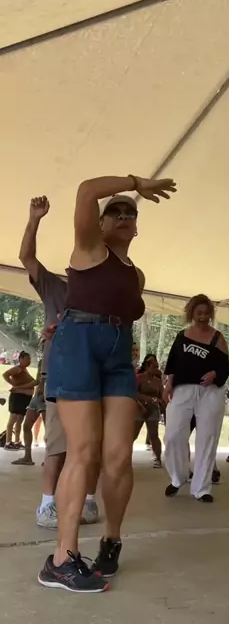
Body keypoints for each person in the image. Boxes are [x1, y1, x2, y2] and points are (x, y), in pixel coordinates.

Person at [38, 174, 176, 593]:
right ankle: (61, 559)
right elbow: (85, 189)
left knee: (118, 456)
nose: (122, 215)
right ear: (99, 223)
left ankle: (111, 541)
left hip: (117, 354)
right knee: (82, 451)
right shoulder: (88, 247)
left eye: (129, 213)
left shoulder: (136, 275)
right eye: (113, 211)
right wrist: (135, 183)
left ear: (136, 228)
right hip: (78, 344)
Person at [17, 196, 99, 529]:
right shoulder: (54, 287)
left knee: (90, 443)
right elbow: (26, 257)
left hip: (92, 375)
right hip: (59, 374)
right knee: (57, 443)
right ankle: (47, 504)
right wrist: (34, 219)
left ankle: (88, 500)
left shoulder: (101, 297)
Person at [163, 294, 229, 503]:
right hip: (183, 389)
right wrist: (168, 384)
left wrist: (215, 374)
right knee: (173, 434)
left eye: (206, 313)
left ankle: (201, 488)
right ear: (191, 313)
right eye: (199, 313)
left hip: (210, 392)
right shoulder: (182, 336)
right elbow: (172, 364)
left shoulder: (218, 338)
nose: (202, 317)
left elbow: (226, 367)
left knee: (207, 438)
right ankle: (178, 476)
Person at [11, 355, 46, 466]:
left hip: (48, 396)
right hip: (37, 397)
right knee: (26, 426)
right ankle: (27, 457)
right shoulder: (42, 362)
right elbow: (37, 381)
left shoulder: (57, 359)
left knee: (49, 430)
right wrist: (19, 388)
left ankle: (50, 459)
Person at [3, 352, 36, 449]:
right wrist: (13, 384)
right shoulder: (17, 369)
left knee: (20, 420)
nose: (29, 361)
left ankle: (17, 441)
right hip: (18, 396)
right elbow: (5, 374)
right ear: (21, 359)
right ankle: (8, 442)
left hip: (25, 398)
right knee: (13, 419)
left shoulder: (24, 369)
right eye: (27, 359)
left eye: (30, 359)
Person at [135, 354, 163, 467]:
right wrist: (145, 400)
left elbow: (162, 396)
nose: (156, 369)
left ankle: (158, 458)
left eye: (157, 367)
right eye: (154, 367)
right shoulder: (139, 378)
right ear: (148, 366)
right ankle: (124, 455)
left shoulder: (158, 381)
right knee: (133, 434)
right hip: (139, 408)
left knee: (153, 435)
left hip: (153, 409)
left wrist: (159, 401)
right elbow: (134, 393)